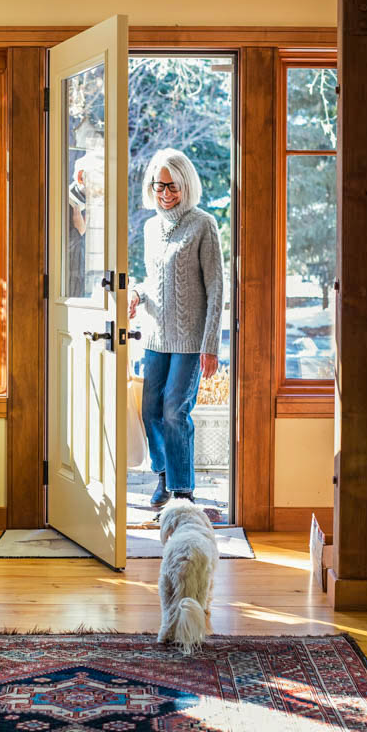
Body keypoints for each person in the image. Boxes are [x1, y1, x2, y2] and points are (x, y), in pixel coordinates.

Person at [128, 148, 224, 510]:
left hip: (189, 342)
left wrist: (210, 344)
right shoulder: (152, 227)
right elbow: (155, 282)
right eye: (159, 186)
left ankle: (183, 492)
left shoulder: (203, 225)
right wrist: (137, 293)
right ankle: (164, 476)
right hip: (155, 336)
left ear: (186, 185)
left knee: (173, 410)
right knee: (150, 410)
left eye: (173, 186)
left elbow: (216, 287)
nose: (166, 193)